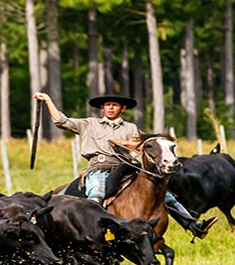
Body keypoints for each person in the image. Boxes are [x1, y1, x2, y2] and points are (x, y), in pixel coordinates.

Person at [33, 91, 216, 239]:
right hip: (99, 168)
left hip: (127, 168)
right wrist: (48, 99)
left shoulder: (130, 128)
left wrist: (124, 142)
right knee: (96, 192)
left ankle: (195, 226)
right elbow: (61, 121)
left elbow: (145, 144)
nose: (110, 108)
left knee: (166, 196)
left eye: (114, 105)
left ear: (123, 108)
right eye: (107, 105)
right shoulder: (89, 124)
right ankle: (92, 231)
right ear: (103, 108)